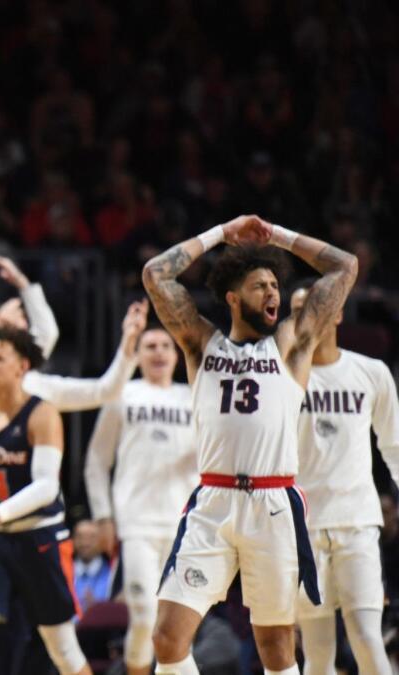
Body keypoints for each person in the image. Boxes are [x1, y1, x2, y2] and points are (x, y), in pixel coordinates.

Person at [141, 214, 358, 675]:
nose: (274, 293)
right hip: (214, 501)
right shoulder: (201, 344)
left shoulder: (291, 346)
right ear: (233, 298)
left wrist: (275, 235)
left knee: (277, 648)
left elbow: (345, 267)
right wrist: (221, 233)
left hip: (273, 503)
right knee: (166, 637)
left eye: (276, 285)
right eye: (261, 286)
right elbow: (155, 273)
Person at [0, 328, 92, 675]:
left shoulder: (42, 414)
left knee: (63, 648)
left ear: (22, 366)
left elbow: (46, 486)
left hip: (39, 539)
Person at [290, 284, 399, 674]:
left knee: (368, 639)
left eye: (314, 308)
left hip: (357, 521)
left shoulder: (371, 372)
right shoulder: (282, 378)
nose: (306, 317)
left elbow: (394, 447)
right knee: (317, 654)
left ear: (337, 315)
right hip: (302, 527)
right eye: (297, 310)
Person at [84, 324, 198, 675]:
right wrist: (103, 516)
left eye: (166, 345)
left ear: (177, 356)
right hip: (136, 523)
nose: (159, 352)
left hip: (185, 525)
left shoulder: (194, 397)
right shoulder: (124, 395)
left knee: (179, 626)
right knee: (145, 617)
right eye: (150, 346)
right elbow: (96, 462)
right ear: (137, 355)